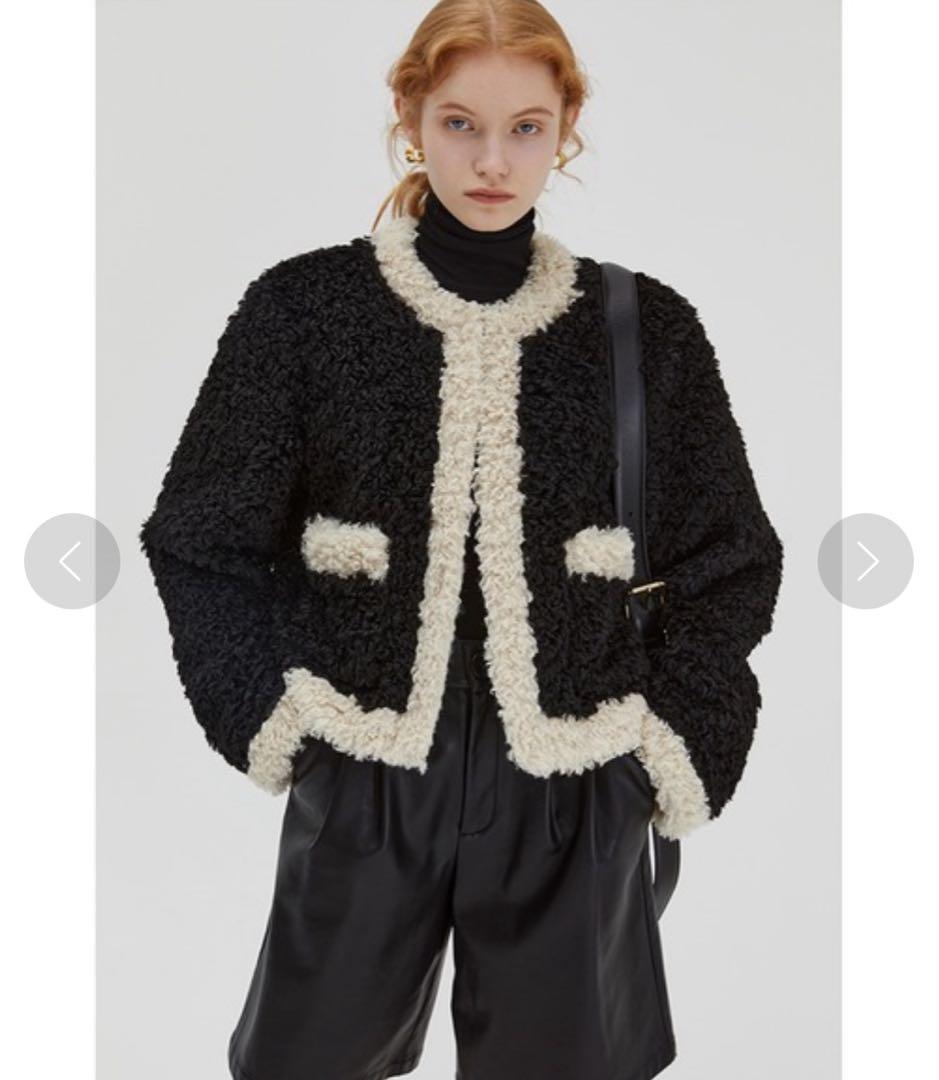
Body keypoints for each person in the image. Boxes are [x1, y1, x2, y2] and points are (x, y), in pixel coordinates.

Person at [138, 2, 784, 1077]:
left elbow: (731, 558)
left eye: (526, 128)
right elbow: (201, 538)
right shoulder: (305, 310)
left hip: (576, 779)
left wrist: (661, 749)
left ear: (566, 126)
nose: (492, 161)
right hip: (365, 768)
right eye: (459, 124)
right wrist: (279, 720)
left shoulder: (647, 328)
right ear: (409, 118)